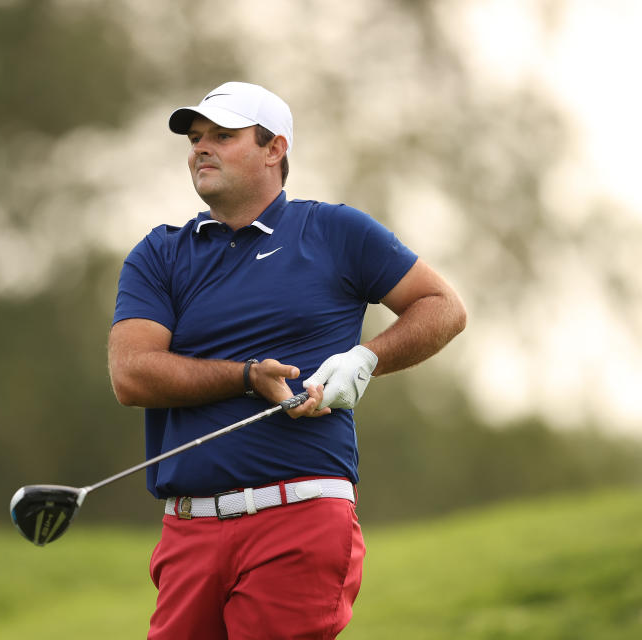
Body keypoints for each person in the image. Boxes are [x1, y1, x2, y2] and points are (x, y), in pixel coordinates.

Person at [108, 81, 466, 639]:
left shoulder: (333, 231)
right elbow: (132, 374)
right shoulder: (160, 253)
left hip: (298, 517)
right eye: (196, 138)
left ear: (274, 149)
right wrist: (248, 377)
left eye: (223, 136)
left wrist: (365, 359)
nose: (201, 148)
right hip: (188, 530)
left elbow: (442, 306)